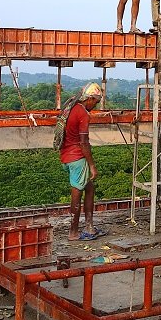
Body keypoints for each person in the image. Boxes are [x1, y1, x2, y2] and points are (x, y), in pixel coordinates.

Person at [55, 83, 107, 241]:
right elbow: (84, 142)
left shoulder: (70, 106)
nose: (95, 105)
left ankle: (89, 226)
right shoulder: (83, 113)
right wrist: (92, 165)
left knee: (90, 188)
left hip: (65, 155)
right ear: (90, 99)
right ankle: (73, 232)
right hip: (77, 157)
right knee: (76, 195)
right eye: (95, 102)